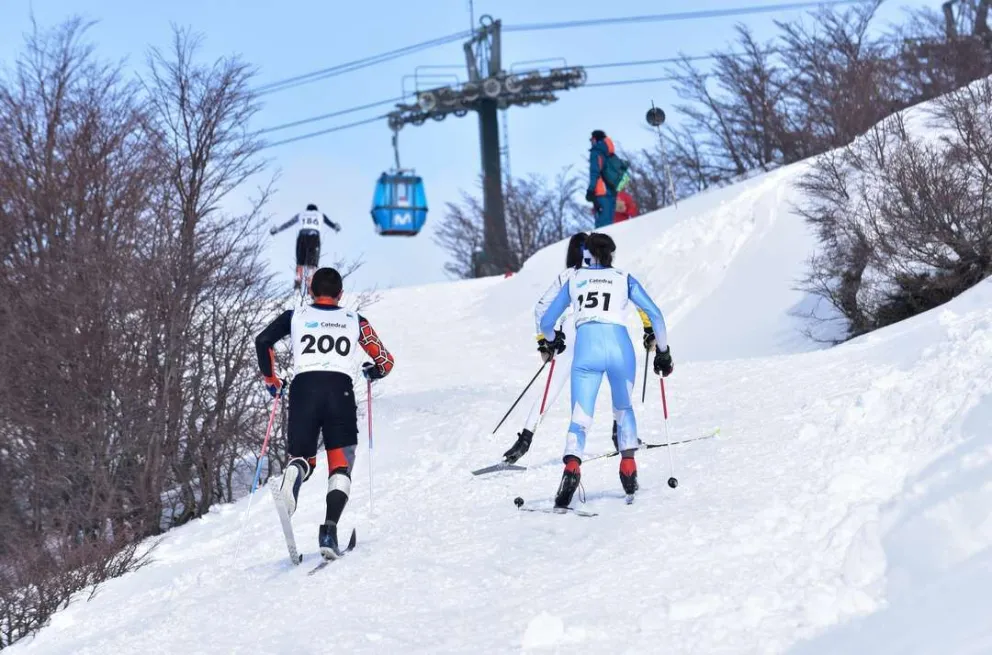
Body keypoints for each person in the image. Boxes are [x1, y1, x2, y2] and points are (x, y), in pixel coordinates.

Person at [254, 267, 394, 559]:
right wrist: (374, 371)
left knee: (303, 457)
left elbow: (262, 341)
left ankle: (292, 481)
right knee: (340, 466)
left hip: (304, 389)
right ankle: (329, 531)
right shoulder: (355, 319)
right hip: (339, 391)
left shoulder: (295, 316)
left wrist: (272, 380)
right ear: (341, 294)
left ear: (312, 292)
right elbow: (385, 360)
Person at [537, 233, 674, 510]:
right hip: (620, 349)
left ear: (587, 253)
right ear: (611, 253)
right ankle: (628, 468)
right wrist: (663, 351)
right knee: (623, 409)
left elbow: (547, 320)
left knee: (580, 417)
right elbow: (656, 315)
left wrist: (552, 340)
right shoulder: (624, 277)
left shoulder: (575, 278)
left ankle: (572, 468)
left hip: (587, 349)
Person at [502, 232, 655, 464]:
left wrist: (543, 343)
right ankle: (621, 436)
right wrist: (649, 330)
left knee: (550, 390)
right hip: (599, 332)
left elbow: (541, 308)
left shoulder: (568, 275)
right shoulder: (612, 275)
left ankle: (523, 442)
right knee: (619, 385)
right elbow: (642, 307)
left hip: (567, 334)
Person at [270, 204, 342, 291]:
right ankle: (310, 286)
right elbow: (331, 223)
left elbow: (289, 223)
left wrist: (277, 229)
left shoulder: (301, 214)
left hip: (302, 237)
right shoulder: (320, 215)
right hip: (314, 238)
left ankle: (297, 284)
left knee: (300, 263)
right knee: (312, 264)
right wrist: (336, 227)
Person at [586, 130, 618, 229]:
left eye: (591, 139)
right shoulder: (610, 153)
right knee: (610, 222)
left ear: (595, 139)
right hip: (612, 191)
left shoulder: (596, 152)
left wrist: (591, 190)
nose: (591, 141)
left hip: (601, 192)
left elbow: (595, 171)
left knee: (602, 226)